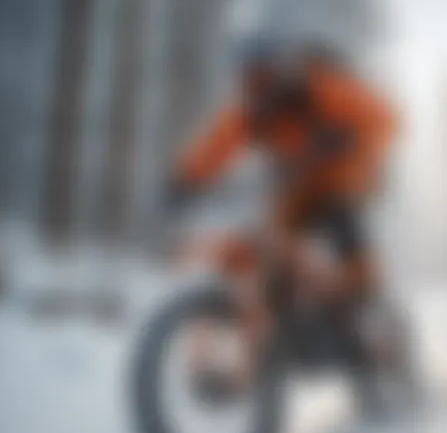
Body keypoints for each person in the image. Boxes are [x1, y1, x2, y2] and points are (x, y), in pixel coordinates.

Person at [167, 37, 398, 309]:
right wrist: (185, 181)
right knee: (272, 242)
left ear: (281, 73)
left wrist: (347, 137)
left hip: (347, 172)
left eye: (264, 77)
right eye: (250, 80)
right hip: (299, 185)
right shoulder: (252, 113)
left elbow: (384, 118)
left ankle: (365, 292)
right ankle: (283, 312)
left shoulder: (320, 89)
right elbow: (216, 145)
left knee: (338, 210)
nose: (258, 87)